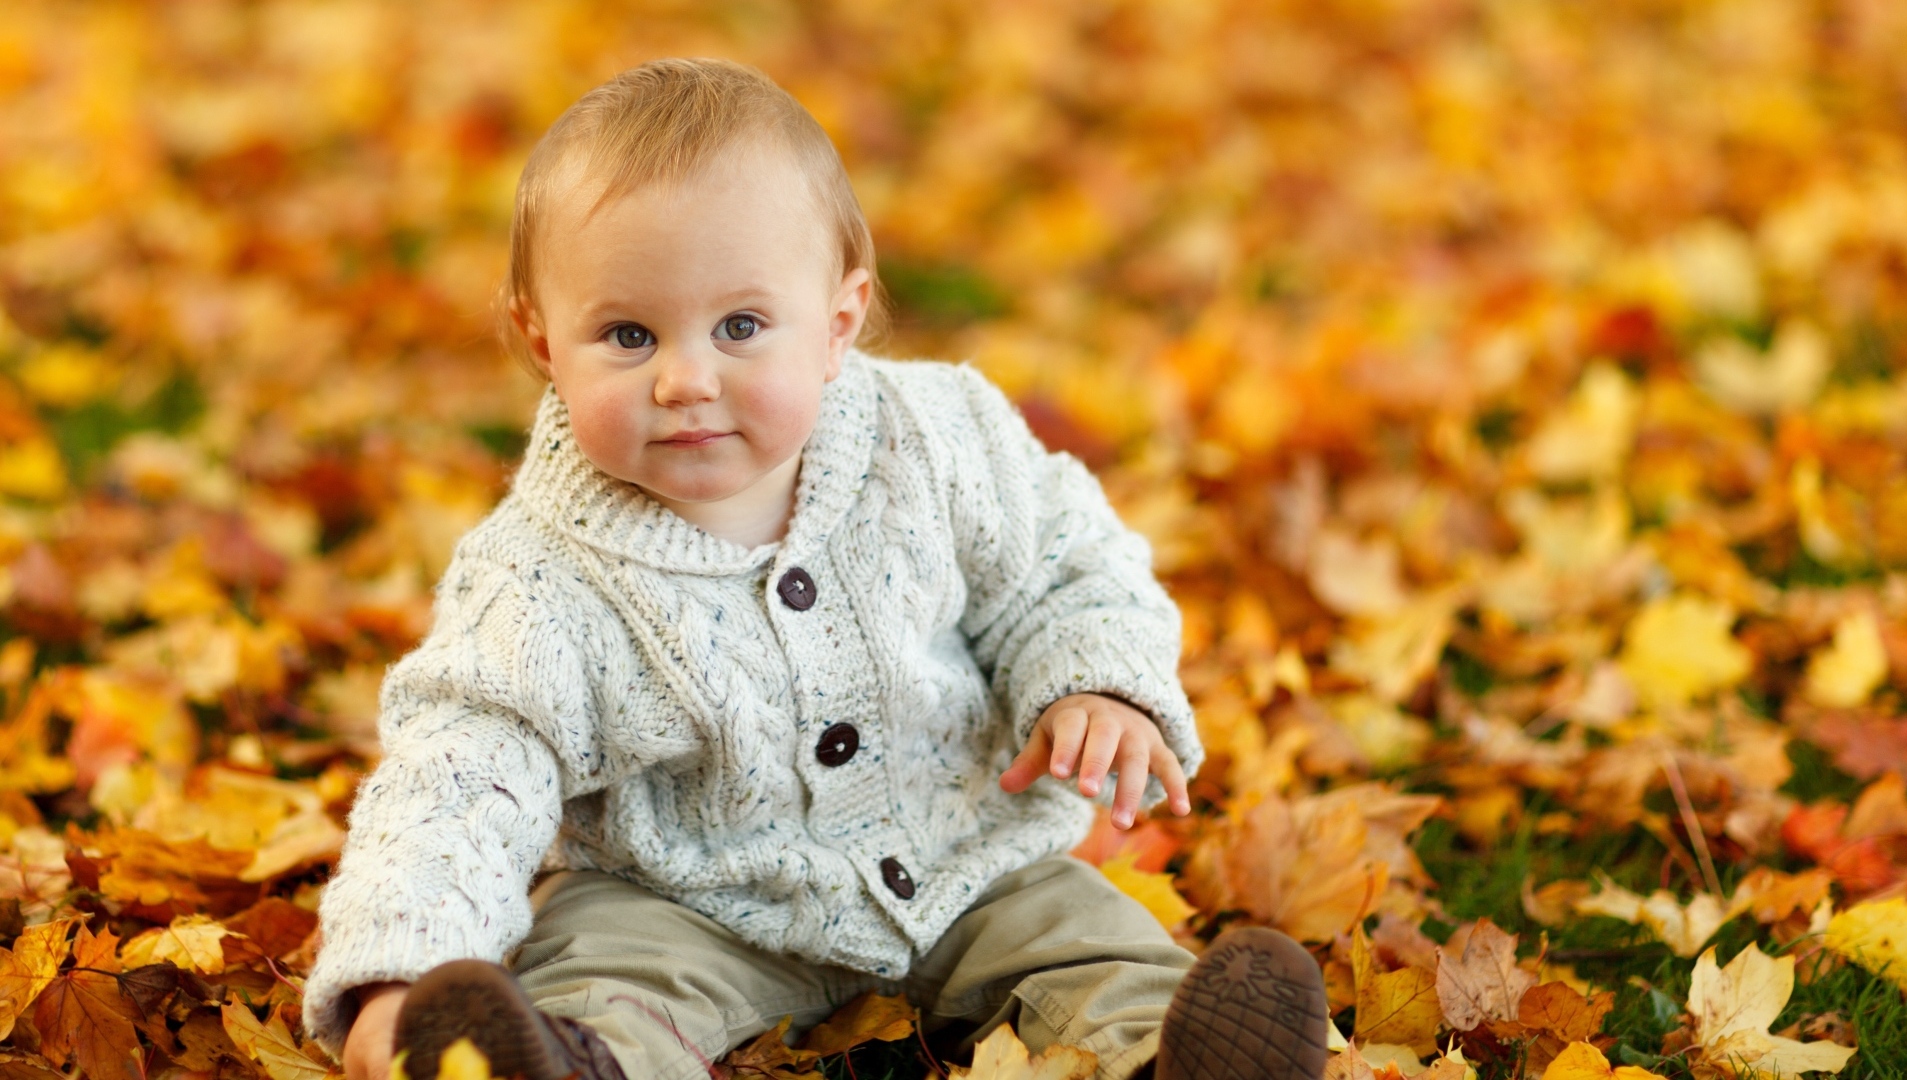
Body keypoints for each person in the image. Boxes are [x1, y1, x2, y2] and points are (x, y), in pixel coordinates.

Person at [304, 58, 1326, 1080]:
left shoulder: (936, 439)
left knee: (1093, 952)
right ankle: (558, 1068)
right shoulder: (535, 578)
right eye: (626, 334)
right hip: (686, 900)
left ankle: (1178, 1061)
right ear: (540, 340)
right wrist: (398, 977)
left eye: (741, 327)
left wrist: (1094, 682)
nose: (686, 378)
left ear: (838, 324)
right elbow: (461, 774)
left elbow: (1065, 566)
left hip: (961, 859)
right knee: (598, 981)